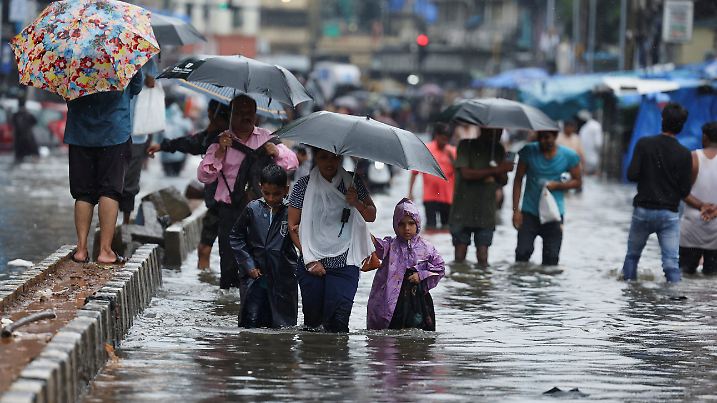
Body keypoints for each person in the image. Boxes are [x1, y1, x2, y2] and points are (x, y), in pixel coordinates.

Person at [198, 94, 298, 292]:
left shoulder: (267, 138)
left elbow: (292, 163)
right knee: (229, 263)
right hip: (229, 211)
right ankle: (229, 305)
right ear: (231, 114)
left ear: (256, 114)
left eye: (250, 113)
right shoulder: (221, 141)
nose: (246, 117)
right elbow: (204, 176)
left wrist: (277, 152)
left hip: (262, 212)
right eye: (240, 112)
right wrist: (219, 153)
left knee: (262, 261)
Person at [288, 147, 376, 333]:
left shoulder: (353, 182)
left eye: (335, 157)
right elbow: (293, 227)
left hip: (346, 263)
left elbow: (371, 216)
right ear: (315, 158)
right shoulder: (302, 185)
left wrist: (356, 203)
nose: (329, 162)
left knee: (339, 325)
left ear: (341, 158)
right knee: (312, 325)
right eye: (323, 157)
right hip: (311, 264)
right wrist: (310, 260)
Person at [65, 69, 144, 265]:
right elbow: (136, 87)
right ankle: (105, 251)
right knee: (110, 190)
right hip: (114, 131)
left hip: (80, 132)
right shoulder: (122, 48)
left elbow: (64, 92)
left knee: (83, 193)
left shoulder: (70, 52)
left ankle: (81, 250)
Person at [147, 100, 231, 270]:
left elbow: (191, 143)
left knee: (219, 249)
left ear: (215, 115)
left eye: (210, 114)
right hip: (216, 204)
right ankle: (208, 278)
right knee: (206, 249)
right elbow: (191, 142)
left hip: (229, 205)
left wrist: (164, 146)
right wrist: (164, 146)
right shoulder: (215, 137)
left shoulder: (224, 139)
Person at [621, 102, 692, 283]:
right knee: (671, 264)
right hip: (668, 214)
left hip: (643, 210)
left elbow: (631, 175)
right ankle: (675, 302)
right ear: (682, 126)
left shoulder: (644, 144)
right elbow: (685, 190)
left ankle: (629, 294)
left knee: (632, 257)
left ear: (662, 121)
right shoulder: (684, 154)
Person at [229, 164, 298, 328]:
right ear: (260, 188)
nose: (272, 198)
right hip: (256, 275)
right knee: (251, 320)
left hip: (282, 275)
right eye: (267, 193)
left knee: (282, 324)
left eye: (277, 194)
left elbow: (302, 239)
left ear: (286, 190)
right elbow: (236, 236)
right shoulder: (252, 209)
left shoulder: (291, 211)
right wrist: (248, 264)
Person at [367, 198, 445, 331]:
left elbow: (440, 268)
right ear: (395, 225)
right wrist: (365, 233)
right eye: (401, 224)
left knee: (418, 331)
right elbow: (376, 246)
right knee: (394, 330)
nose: (407, 228)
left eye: (411, 223)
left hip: (418, 299)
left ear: (418, 224)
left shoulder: (427, 248)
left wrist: (421, 275)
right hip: (394, 299)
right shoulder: (390, 245)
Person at [512, 130, 582, 266]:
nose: (545, 141)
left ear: (555, 137)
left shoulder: (569, 156)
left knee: (551, 259)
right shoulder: (528, 152)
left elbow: (578, 182)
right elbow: (518, 180)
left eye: (548, 137)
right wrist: (516, 210)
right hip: (529, 212)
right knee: (522, 254)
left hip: (554, 214)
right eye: (541, 138)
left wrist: (558, 186)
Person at [450, 128, 513, 266]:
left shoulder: (498, 149)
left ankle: (482, 286)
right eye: (495, 130)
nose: (499, 134)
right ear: (483, 129)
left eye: (500, 131)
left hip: (486, 211)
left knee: (483, 257)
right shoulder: (466, 145)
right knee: (459, 257)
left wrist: (505, 169)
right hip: (463, 210)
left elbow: (503, 180)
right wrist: (496, 170)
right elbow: (466, 174)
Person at [120, 57, 160, 224]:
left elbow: (152, 85)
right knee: (114, 180)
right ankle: (114, 221)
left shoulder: (147, 58)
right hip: (118, 129)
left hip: (136, 130)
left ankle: (125, 221)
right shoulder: (114, 54)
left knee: (130, 179)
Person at [680, 122, 717, 275]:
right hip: (716, 227)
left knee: (685, 275)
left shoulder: (693, 157)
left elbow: (681, 191)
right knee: (712, 279)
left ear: (705, 137)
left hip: (692, 228)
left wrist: (702, 206)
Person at [408, 122, 456, 230]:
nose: (444, 141)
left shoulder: (452, 151)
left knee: (447, 227)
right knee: (430, 228)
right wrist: (410, 192)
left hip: (448, 197)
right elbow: (414, 172)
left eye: (446, 139)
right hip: (430, 196)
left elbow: (460, 173)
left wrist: (452, 159)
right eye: (442, 138)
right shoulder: (426, 149)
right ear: (437, 136)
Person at [10, 96, 39, 163]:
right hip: (28, 139)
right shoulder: (28, 114)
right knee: (34, 156)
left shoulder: (15, 115)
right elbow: (35, 122)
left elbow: (12, 123)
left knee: (18, 158)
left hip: (19, 140)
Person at [577, 110, 603, 175]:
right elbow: (599, 143)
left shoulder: (583, 128)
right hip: (593, 159)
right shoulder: (596, 126)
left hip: (584, 159)